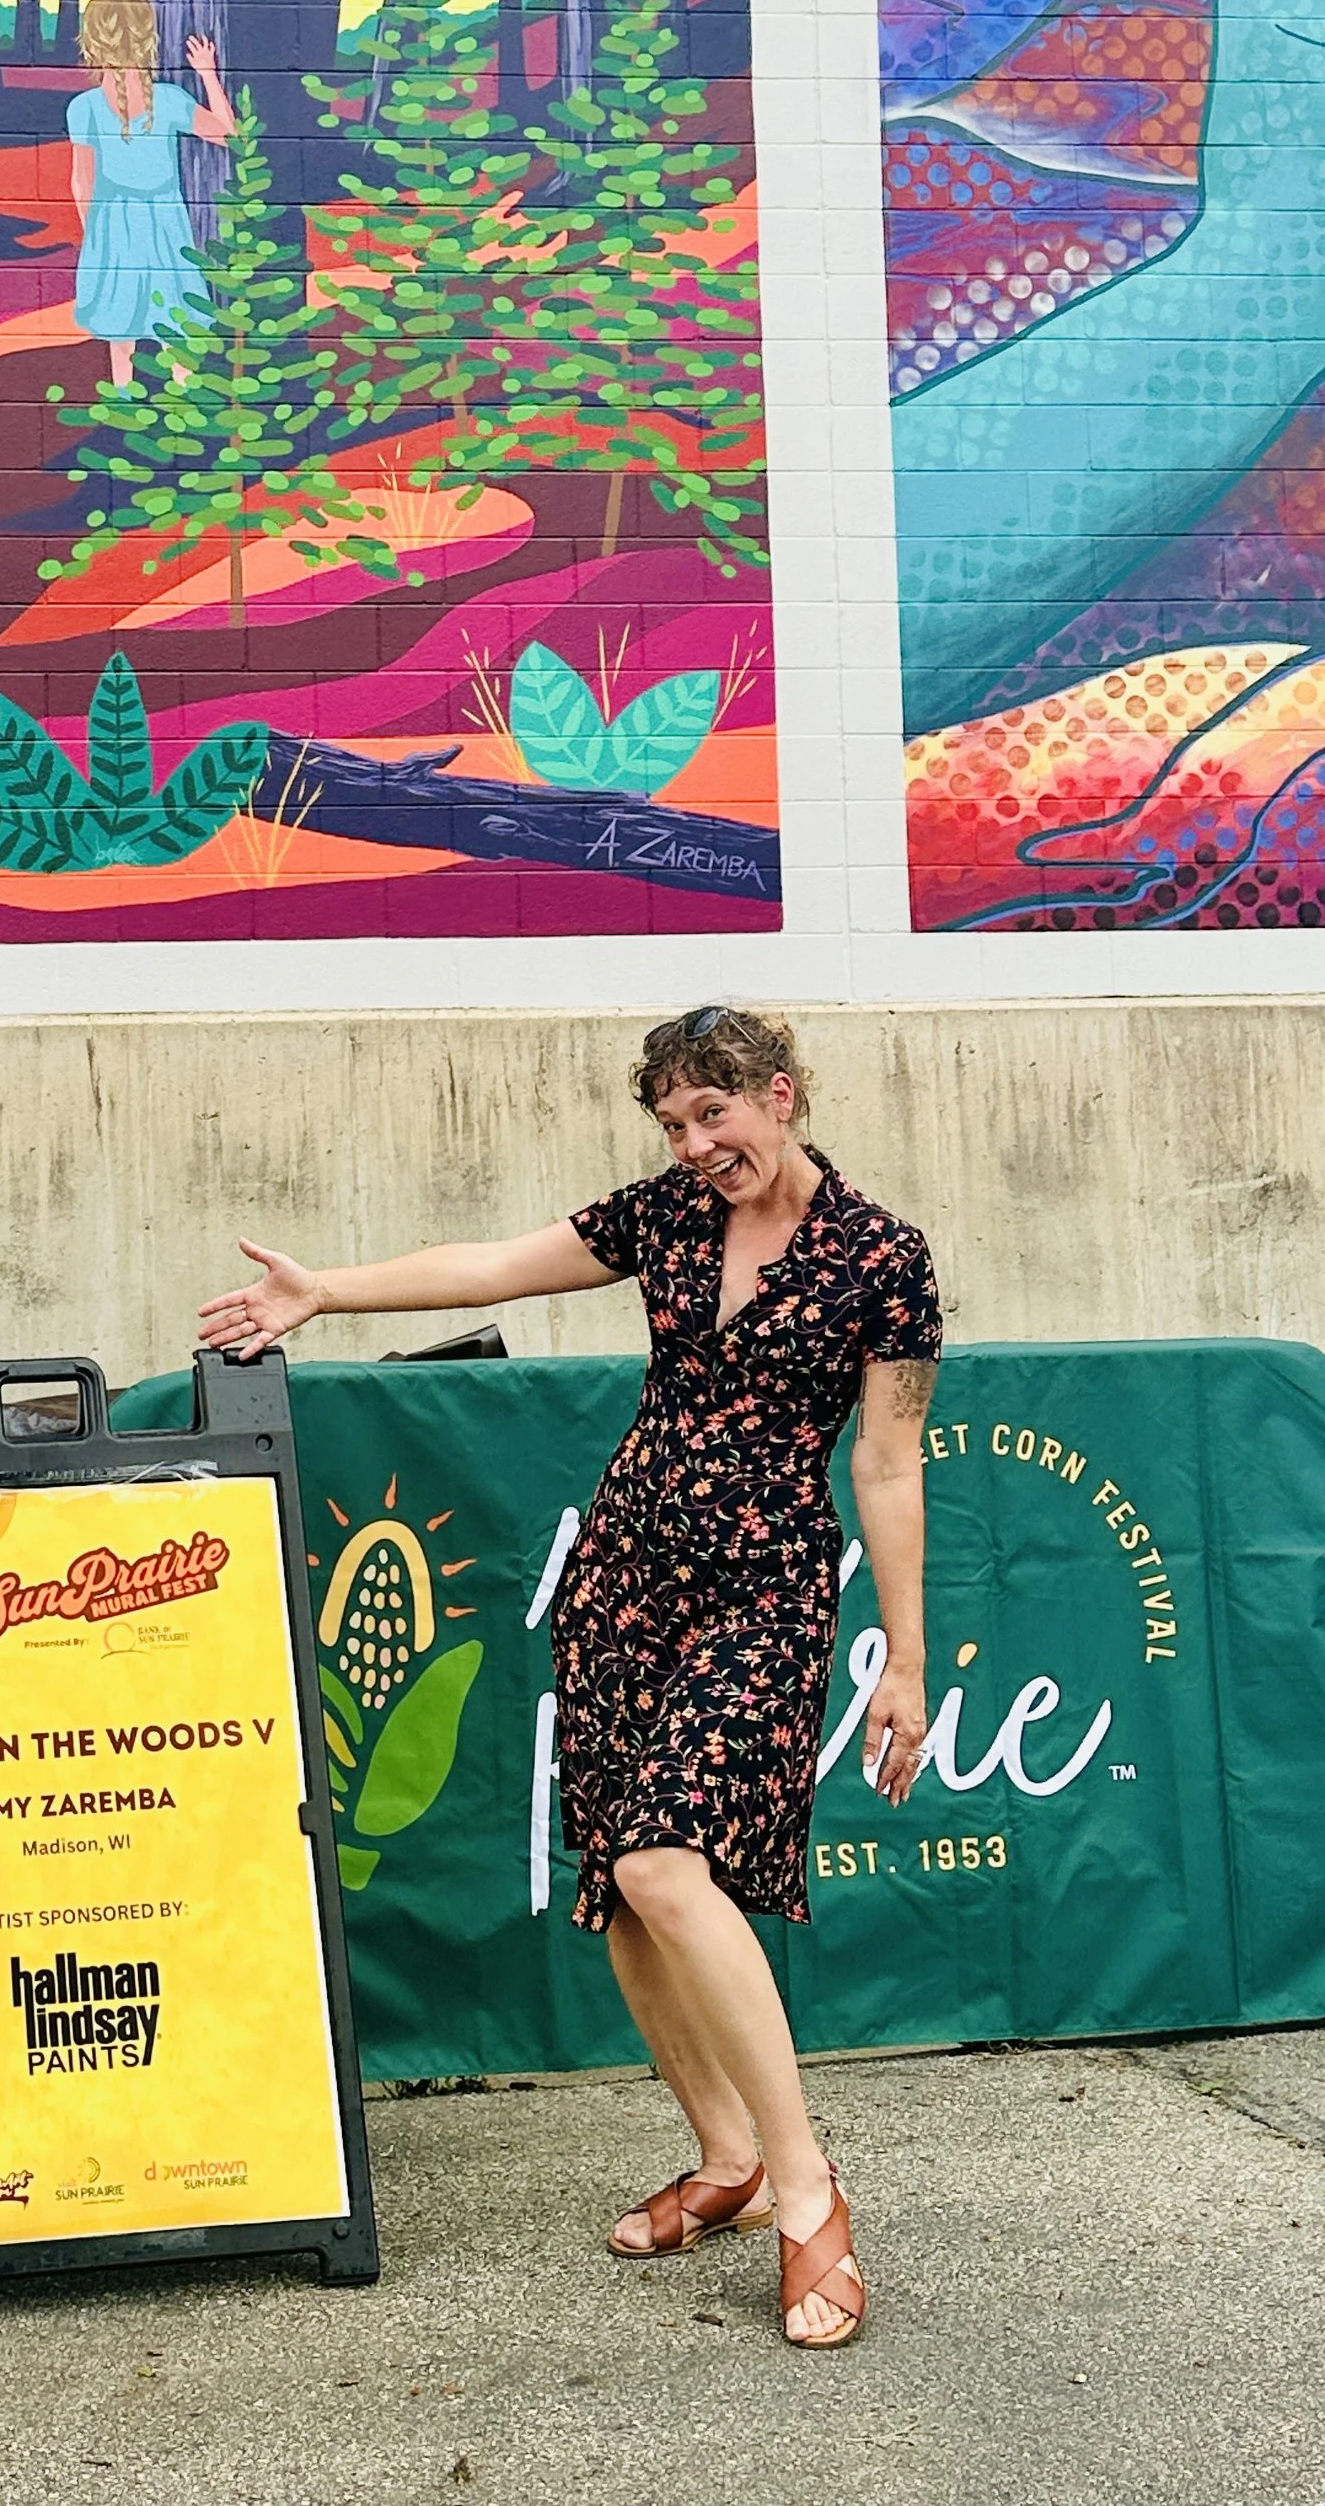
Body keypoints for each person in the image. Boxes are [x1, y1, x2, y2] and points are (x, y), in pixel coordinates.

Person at [198, 1007, 940, 2352]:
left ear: (779, 1095)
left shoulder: (882, 1259)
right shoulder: (663, 1217)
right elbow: (494, 1261)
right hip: (625, 1572)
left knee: (666, 1863)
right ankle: (728, 2156)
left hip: (764, 1585)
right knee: (619, 1894)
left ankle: (809, 2196)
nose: (696, 1144)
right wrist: (326, 1292)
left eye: (714, 1115)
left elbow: (890, 1463)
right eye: (673, 1123)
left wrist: (908, 1659)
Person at [66, 0, 237, 386]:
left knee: (121, 333)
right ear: (148, 40)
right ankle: (184, 406)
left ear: (91, 42)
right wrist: (208, 75)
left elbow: (81, 183)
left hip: (111, 226)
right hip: (164, 223)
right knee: (176, 323)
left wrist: (95, 236)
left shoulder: (84, 107)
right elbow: (231, 134)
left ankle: (124, 407)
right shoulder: (169, 99)